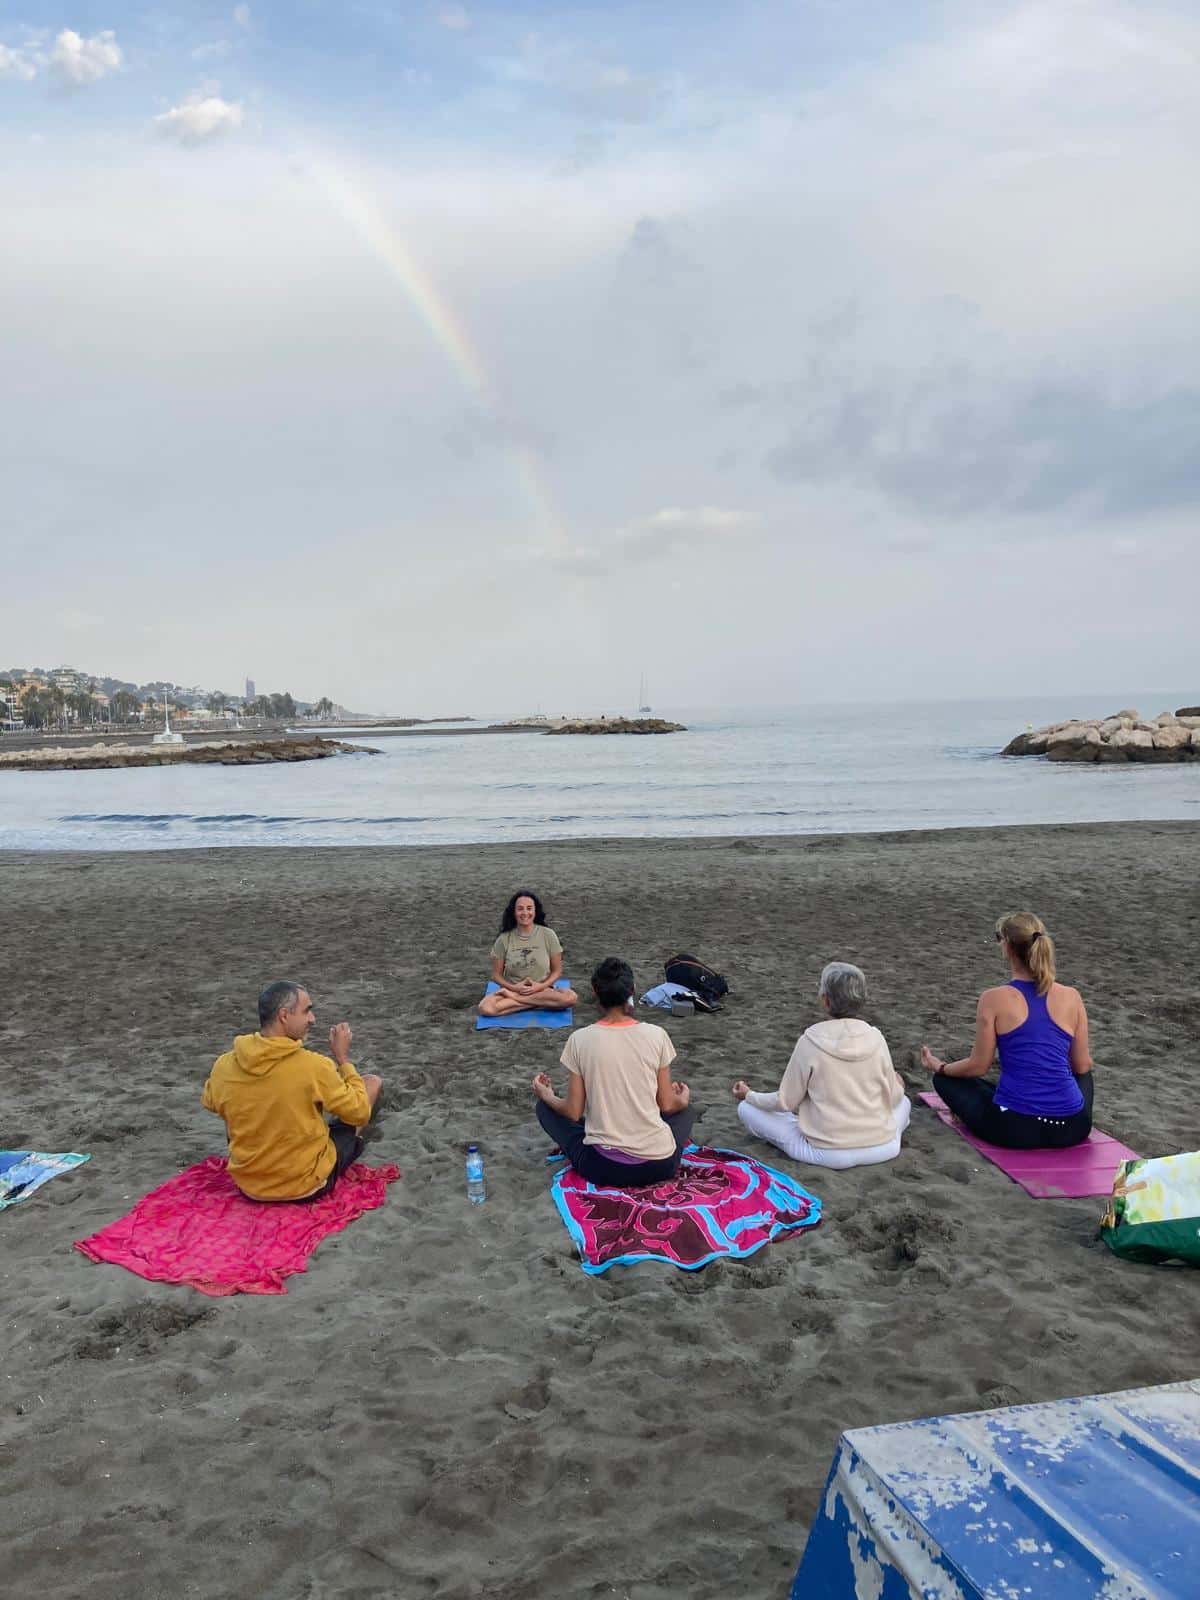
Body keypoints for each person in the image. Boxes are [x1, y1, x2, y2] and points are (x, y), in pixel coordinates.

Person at [921, 912, 1093, 1149]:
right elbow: (1082, 1066)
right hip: (1073, 1128)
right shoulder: (1072, 996)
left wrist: (940, 1066)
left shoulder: (993, 999)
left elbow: (978, 1066)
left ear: (1008, 947)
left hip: (1015, 1129)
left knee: (945, 1080)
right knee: (1083, 1073)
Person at [202, 981, 383, 1201]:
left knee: (238, 1104)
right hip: (304, 1185)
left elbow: (211, 1102)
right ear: (284, 1016)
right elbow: (359, 1112)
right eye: (307, 1011)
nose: (312, 1019)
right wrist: (343, 1059)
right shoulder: (314, 1066)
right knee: (371, 1084)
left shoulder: (224, 1065)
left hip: (250, 1186)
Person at [532, 956, 695, 1186]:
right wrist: (683, 1100)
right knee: (685, 1112)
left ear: (595, 992)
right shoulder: (657, 1035)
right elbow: (668, 1105)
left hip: (604, 1167)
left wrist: (547, 1096)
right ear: (633, 990)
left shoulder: (580, 1039)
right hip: (660, 1164)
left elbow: (573, 1112)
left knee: (545, 1109)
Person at [731, 962, 910, 1169]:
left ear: (825, 1000)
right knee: (904, 1101)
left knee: (747, 1109)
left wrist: (749, 1095)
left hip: (826, 1152)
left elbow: (785, 1102)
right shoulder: (876, 1037)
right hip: (884, 1147)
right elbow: (894, 1096)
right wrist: (898, 1085)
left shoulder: (810, 1040)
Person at [478, 889, 579, 1017]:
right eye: (520, 909)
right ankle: (540, 1003)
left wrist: (540, 986)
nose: (525, 913)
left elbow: (557, 971)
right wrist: (514, 989)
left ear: (535, 911)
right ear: (514, 912)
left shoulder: (548, 934)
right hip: (514, 989)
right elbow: (496, 975)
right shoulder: (504, 939)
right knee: (485, 1008)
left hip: (542, 989)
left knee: (571, 997)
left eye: (529, 908)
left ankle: (520, 1001)